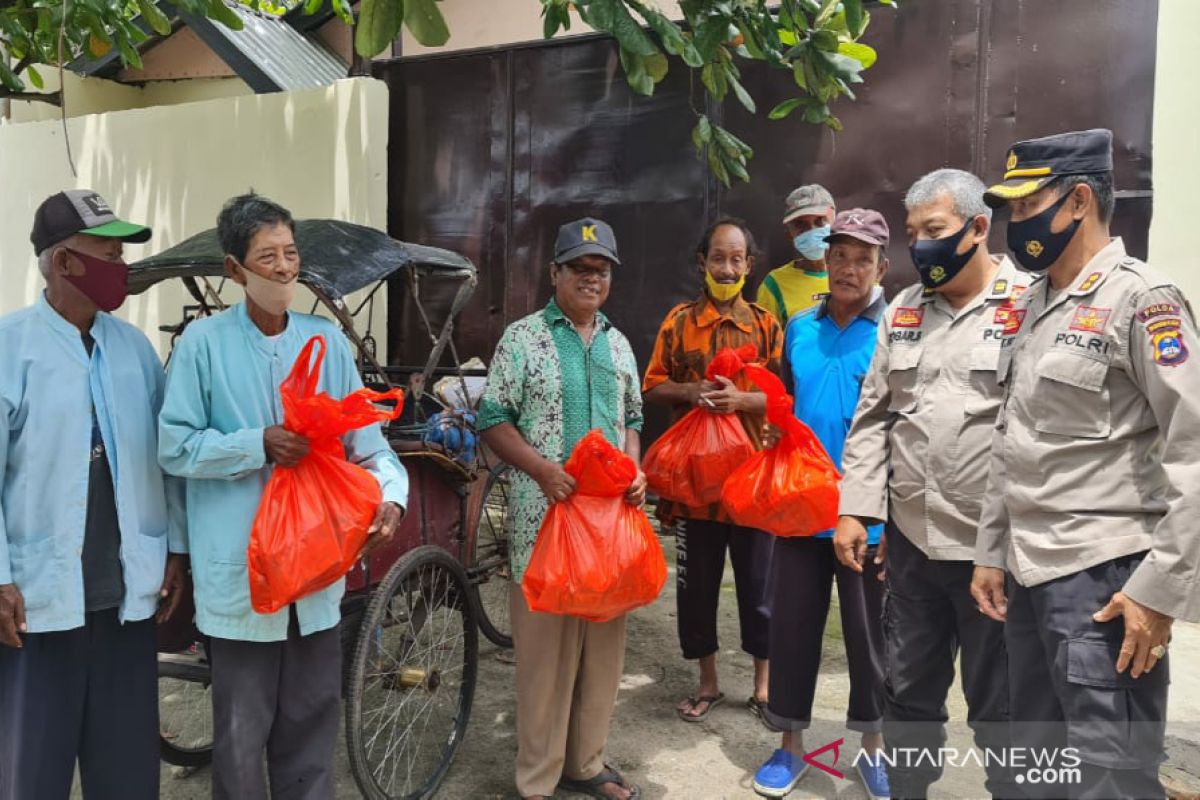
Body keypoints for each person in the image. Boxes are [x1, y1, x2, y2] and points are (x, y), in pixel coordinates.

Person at [971, 129, 1200, 799]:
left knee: (1109, 777)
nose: (1016, 225)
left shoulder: (1144, 301)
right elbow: (1010, 436)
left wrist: (1161, 591)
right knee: (1034, 773)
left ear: (1077, 201)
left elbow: (1194, 450)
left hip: (1104, 584)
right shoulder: (1033, 303)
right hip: (1028, 572)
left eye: (1024, 205)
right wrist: (991, 549)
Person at [158, 193, 408, 799]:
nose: (283, 268)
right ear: (234, 269)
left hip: (317, 569)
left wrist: (390, 497)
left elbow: (370, 448)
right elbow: (174, 447)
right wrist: (256, 444)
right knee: (242, 735)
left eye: (290, 254)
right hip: (244, 574)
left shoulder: (323, 341)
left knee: (311, 719)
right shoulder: (204, 346)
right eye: (265, 256)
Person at [834, 170, 1029, 799]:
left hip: (993, 558)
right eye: (913, 233)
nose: (920, 246)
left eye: (934, 231)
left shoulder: (1029, 304)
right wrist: (856, 511)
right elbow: (872, 419)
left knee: (1000, 711)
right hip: (914, 549)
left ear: (978, 228)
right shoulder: (906, 309)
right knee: (908, 698)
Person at [0, 190, 188, 800]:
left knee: (127, 773)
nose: (121, 262)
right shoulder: (11, 349)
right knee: (32, 773)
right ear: (63, 262)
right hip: (36, 605)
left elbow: (166, 461)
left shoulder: (133, 349)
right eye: (106, 249)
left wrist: (176, 550)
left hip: (125, 598)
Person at [478, 217, 645, 800]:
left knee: (602, 656)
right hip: (541, 521)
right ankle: (537, 779)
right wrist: (542, 470)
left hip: (607, 531)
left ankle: (587, 763)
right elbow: (492, 416)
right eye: (580, 268)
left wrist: (635, 469)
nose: (591, 278)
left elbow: (633, 420)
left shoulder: (619, 343)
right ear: (555, 273)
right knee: (545, 660)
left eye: (601, 270)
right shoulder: (523, 339)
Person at [752, 209, 892, 800]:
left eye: (862, 258)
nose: (848, 268)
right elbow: (784, 406)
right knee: (792, 633)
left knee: (870, 640)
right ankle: (790, 748)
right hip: (800, 511)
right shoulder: (800, 328)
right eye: (839, 256)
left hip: (867, 519)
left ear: (882, 267)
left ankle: (873, 753)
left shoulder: (895, 331)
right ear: (825, 261)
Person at [643, 217, 783, 724]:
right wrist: (691, 391)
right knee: (697, 588)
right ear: (702, 263)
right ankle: (708, 683)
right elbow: (653, 386)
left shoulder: (766, 325)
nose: (728, 268)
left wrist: (745, 399)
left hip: (752, 487)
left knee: (760, 587)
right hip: (695, 488)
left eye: (737, 259)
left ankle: (764, 688)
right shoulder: (678, 322)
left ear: (750, 264)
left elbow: (783, 400)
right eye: (718, 259)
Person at [756, 184, 837, 326]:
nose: (811, 230)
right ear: (789, 234)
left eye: (819, 221)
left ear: (834, 223)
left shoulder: (855, 274)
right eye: (801, 225)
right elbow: (766, 343)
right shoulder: (774, 285)